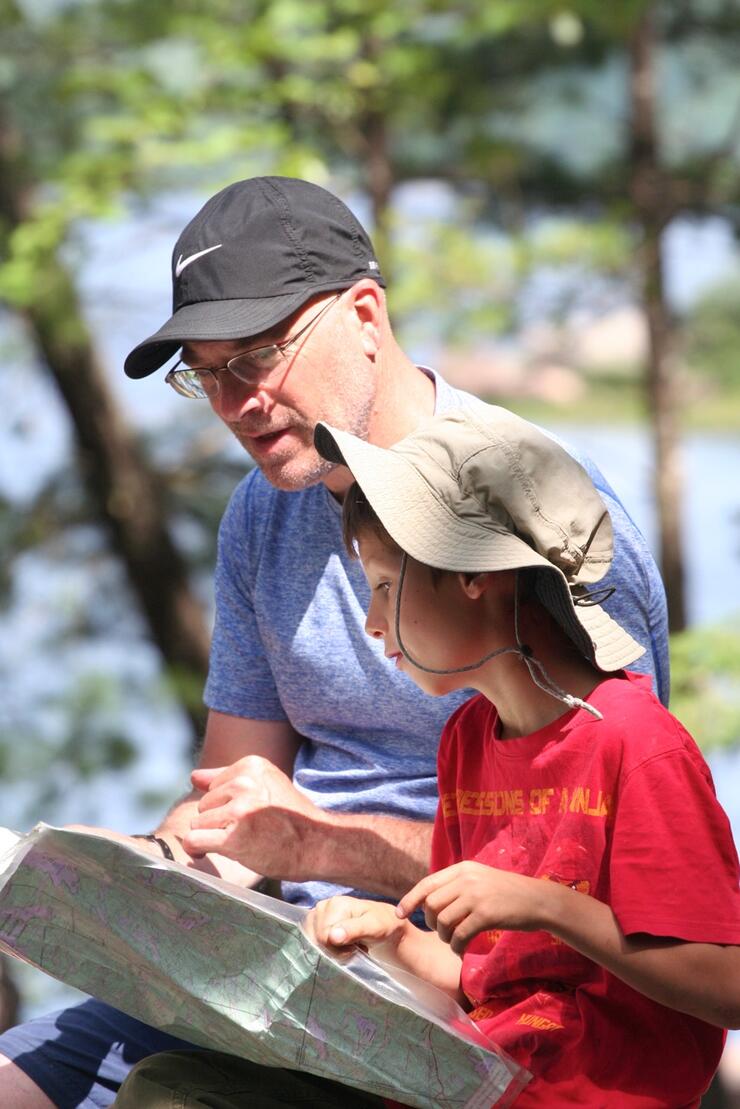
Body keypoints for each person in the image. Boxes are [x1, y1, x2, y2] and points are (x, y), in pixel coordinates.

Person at [0, 177, 669, 1108]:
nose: (235, 401)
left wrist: (327, 844)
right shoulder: (261, 514)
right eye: (208, 372)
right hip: (278, 966)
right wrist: (110, 883)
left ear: (364, 313)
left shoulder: (535, 516)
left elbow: (593, 892)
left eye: (259, 356)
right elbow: (232, 817)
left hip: (465, 993)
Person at [114, 405, 740, 1108]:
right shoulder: (468, 740)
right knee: (166, 1087)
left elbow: (727, 985)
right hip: (465, 1080)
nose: (373, 621)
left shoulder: (634, 741)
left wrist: (549, 906)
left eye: (384, 586)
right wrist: (391, 940)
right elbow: (482, 979)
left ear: (476, 573)